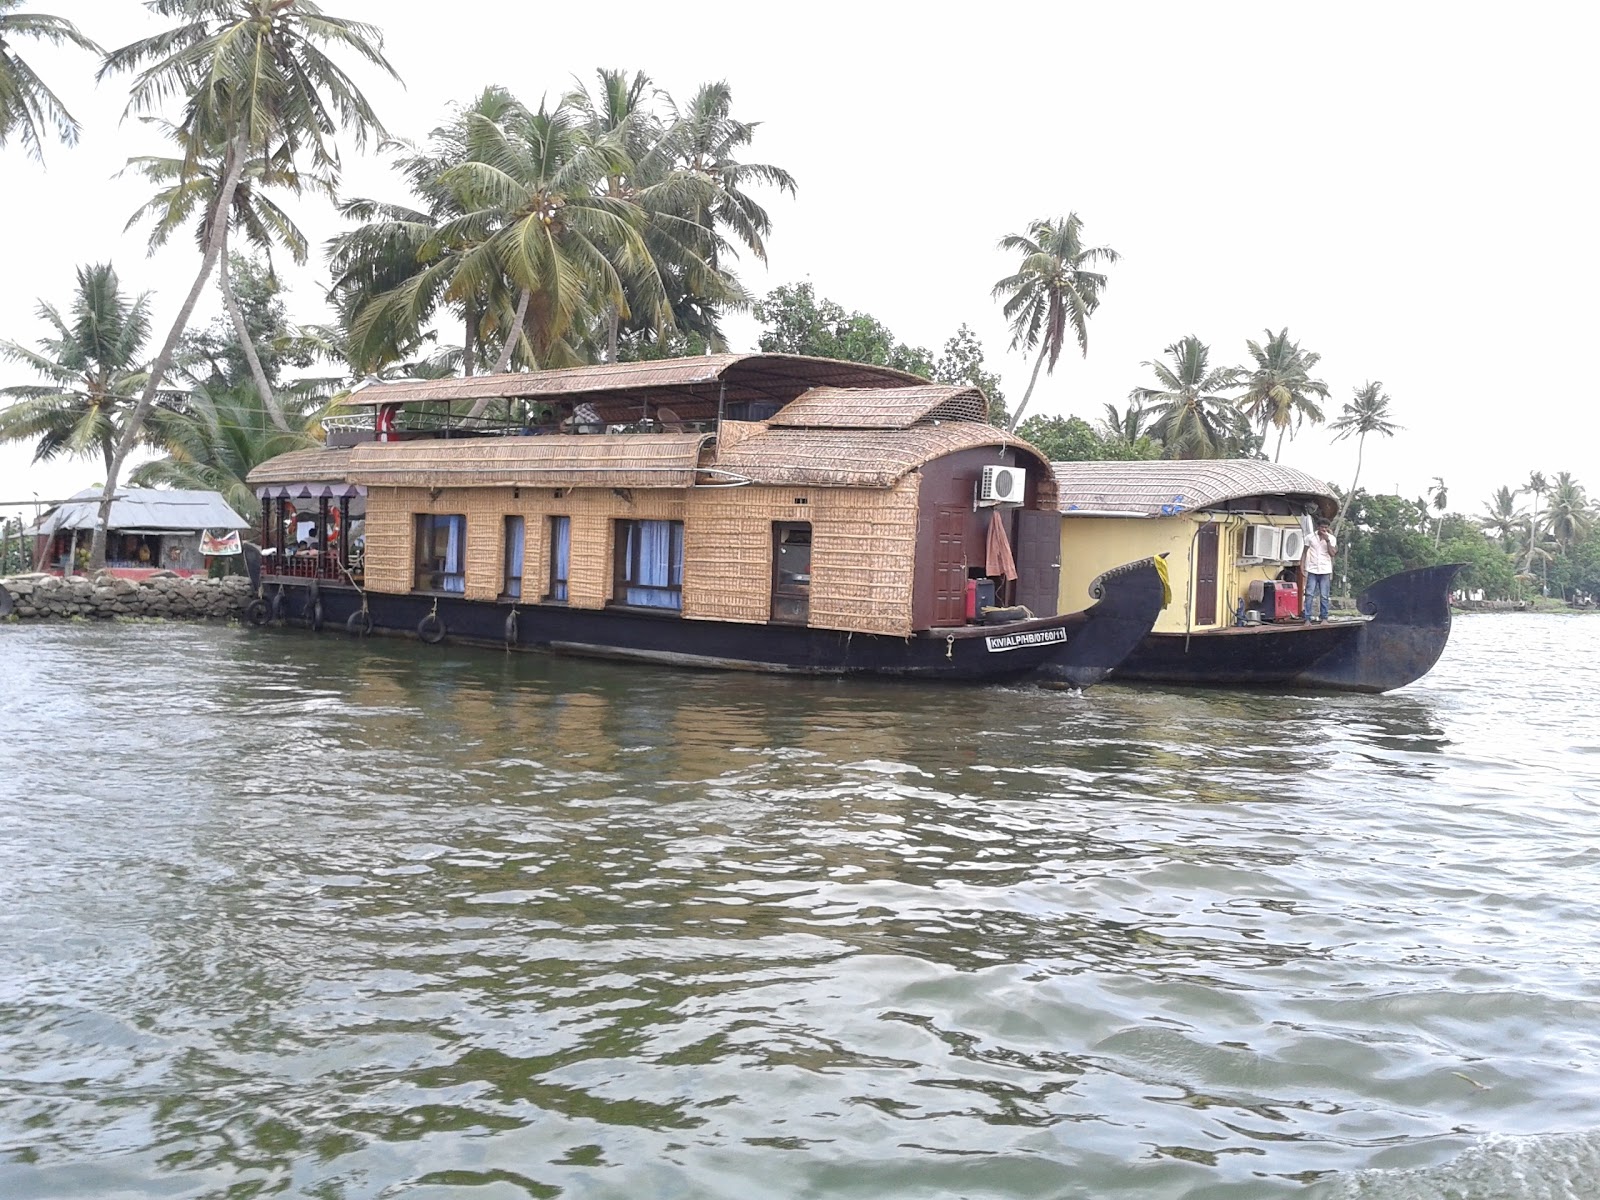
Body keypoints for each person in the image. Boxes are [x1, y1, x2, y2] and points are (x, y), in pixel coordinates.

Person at [1301, 518, 1337, 623]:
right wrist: (1302, 565)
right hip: (1312, 569)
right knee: (1309, 594)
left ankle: (1324, 618)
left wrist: (1328, 541)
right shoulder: (1310, 537)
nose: (1324, 529)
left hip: (1325, 570)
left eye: (1326, 527)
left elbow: (1332, 553)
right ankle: (1307, 618)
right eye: (1322, 527)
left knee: (1324, 595)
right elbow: (1304, 552)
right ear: (1318, 527)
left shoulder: (1331, 538)